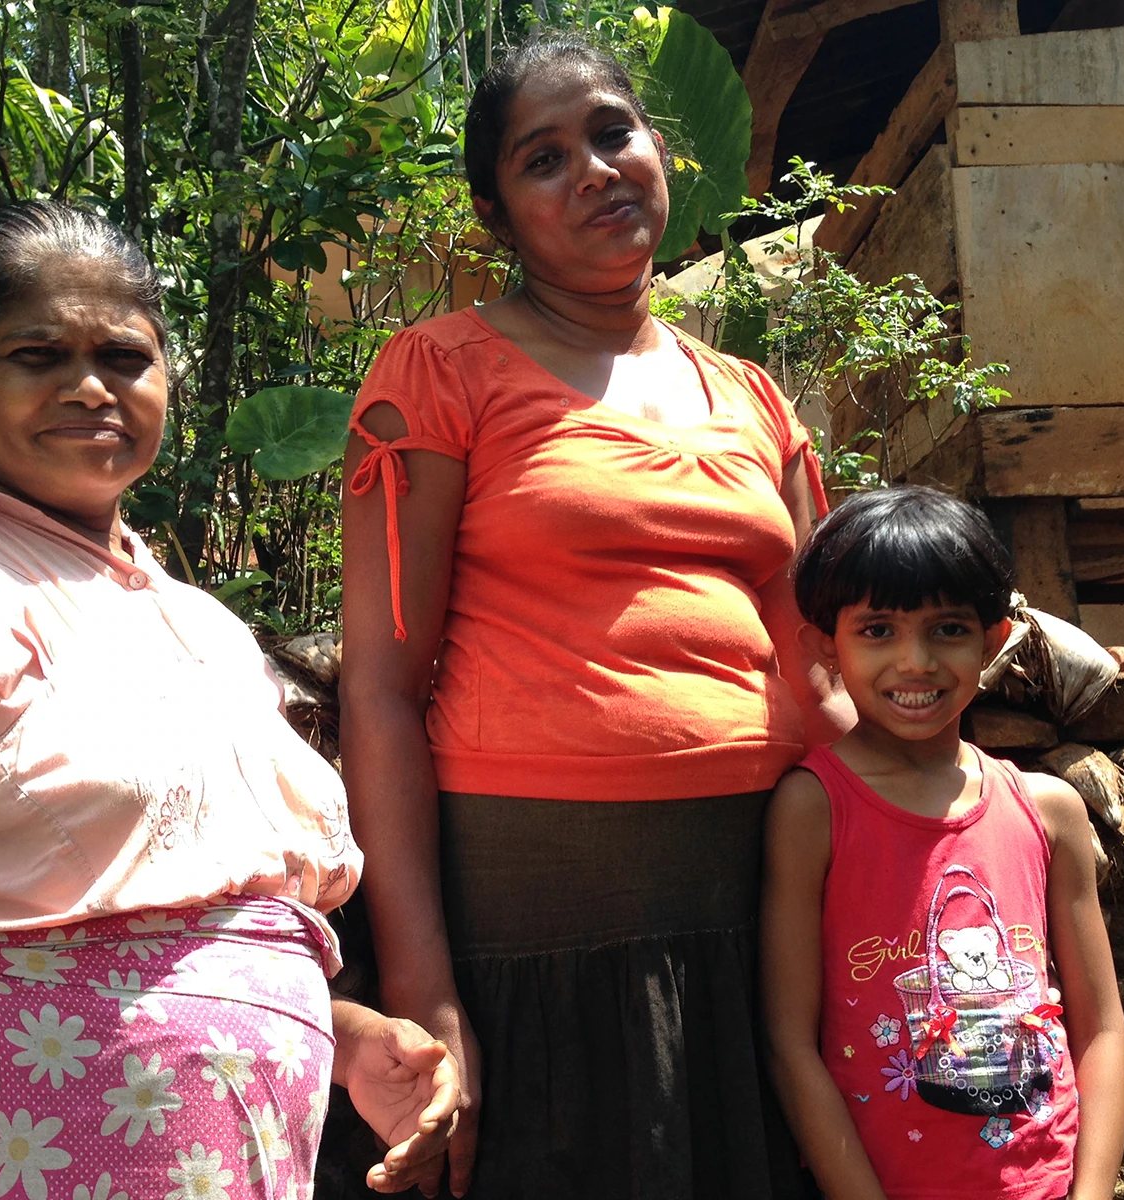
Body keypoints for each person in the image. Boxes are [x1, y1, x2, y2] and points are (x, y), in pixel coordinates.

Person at [0, 201, 458, 1200]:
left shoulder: (204, 630)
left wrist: (353, 1036)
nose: (90, 387)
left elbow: (213, 926)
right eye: (36, 353)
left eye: (125, 356)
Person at [337, 32, 849, 1200]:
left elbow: (822, 664)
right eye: (544, 158)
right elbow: (378, 687)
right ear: (493, 215)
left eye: (614, 131)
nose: (596, 169)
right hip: (538, 926)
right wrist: (427, 995)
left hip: (762, 915)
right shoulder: (441, 373)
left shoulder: (753, 397)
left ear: (661, 148)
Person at [760, 486, 1124, 1200]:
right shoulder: (813, 809)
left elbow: (1102, 1031)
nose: (917, 661)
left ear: (993, 640)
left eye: (948, 629)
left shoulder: (1049, 811)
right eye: (878, 631)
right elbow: (789, 1044)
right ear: (823, 646)